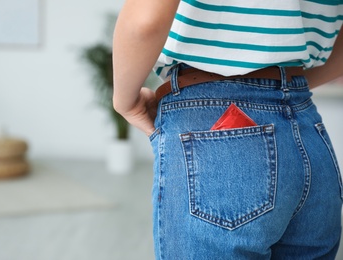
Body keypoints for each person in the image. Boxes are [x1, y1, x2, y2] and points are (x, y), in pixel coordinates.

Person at [112, 0, 343, 259]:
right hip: (308, 131)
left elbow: (145, 21)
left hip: (212, 122)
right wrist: (275, 84)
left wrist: (125, 100)